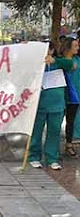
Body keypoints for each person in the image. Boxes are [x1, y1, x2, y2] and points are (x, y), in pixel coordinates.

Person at [29, 42, 74, 170]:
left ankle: (52, 158)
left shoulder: (59, 62)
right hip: (39, 105)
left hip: (57, 105)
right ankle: (34, 156)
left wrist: (54, 61)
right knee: (36, 132)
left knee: (54, 132)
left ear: (52, 50)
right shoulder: (35, 66)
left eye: (48, 49)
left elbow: (71, 64)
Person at [60, 37, 80, 158]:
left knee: (70, 121)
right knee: (55, 122)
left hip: (74, 96)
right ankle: (51, 147)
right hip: (61, 95)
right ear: (68, 47)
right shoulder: (59, 61)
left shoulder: (78, 60)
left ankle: (69, 145)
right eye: (75, 46)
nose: (77, 48)